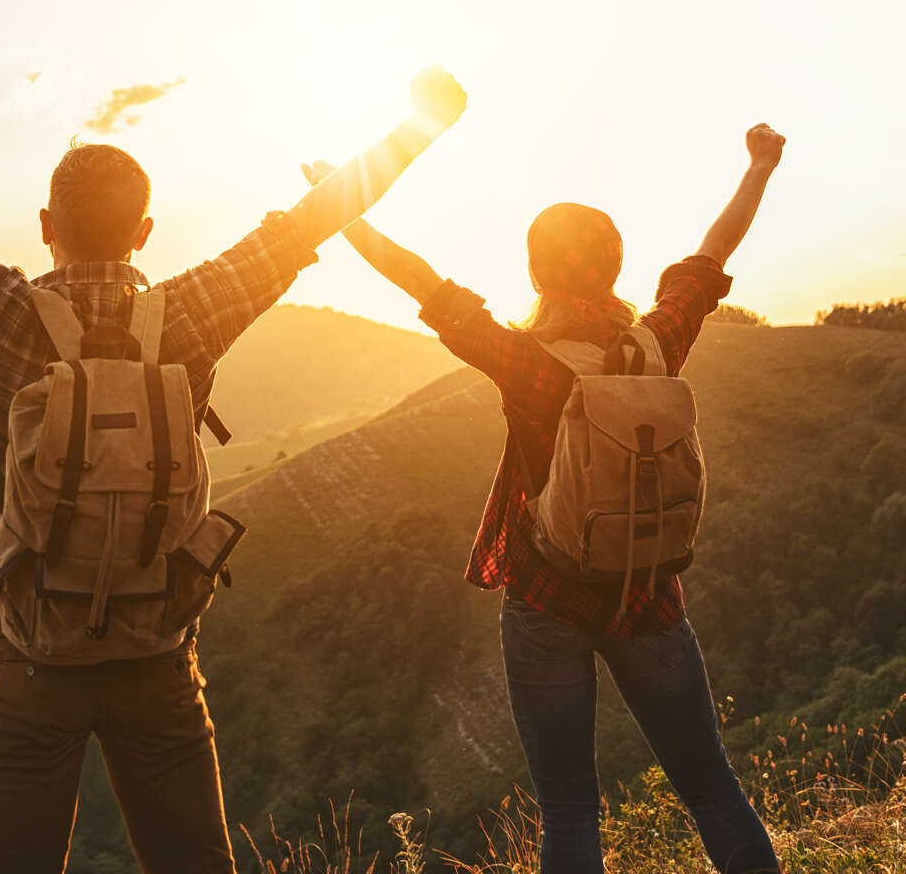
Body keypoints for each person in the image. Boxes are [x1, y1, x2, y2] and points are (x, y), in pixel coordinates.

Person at [0, 47, 467, 874]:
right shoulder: (195, 311)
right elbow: (309, 220)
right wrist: (424, 124)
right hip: (158, 659)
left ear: (45, 226)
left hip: (29, 659)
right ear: (144, 233)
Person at [301, 123, 785, 874]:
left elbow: (421, 282)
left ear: (534, 274)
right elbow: (711, 256)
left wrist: (344, 210)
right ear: (617, 267)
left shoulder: (525, 360)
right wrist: (759, 167)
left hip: (546, 596)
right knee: (713, 789)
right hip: (648, 593)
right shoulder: (657, 342)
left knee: (568, 809)